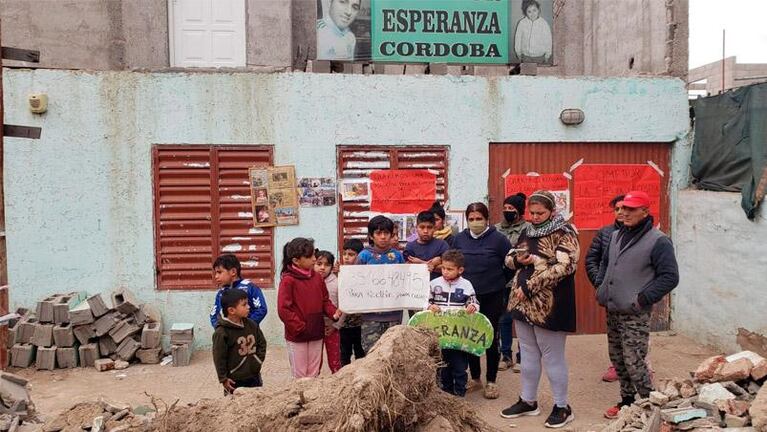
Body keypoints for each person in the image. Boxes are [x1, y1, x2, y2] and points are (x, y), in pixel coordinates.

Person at [501, 190, 580, 429]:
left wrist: (531, 285)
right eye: (532, 213)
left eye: (540, 213)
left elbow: (565, 267)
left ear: (552, 212)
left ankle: (562, 406)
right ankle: (528, 400)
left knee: (552, 356)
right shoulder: (527, 230)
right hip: (523, 301)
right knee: (527, 352)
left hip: (550, 303)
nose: (535, 217)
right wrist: (518, 261)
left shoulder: (565, 232)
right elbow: (509, 257)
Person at [597, 191, 679, 419]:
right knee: (618, 359)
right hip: (613, 309)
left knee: (634, 361)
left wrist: (641, 299)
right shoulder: (616, 236)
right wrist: (602, 287)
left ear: (645, 211)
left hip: (634, 313)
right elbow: (605, 263)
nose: (623, 213)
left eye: (630, 209)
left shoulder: (658, 241)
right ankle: (627, 401)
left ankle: (648, 404)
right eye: (622, 208)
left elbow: (670, 277)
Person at [452, 202, 512, 399]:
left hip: (492, 295)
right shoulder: (458, 239)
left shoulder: (499, 240)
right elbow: (452, 263)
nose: (475, 222)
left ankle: (491, 381)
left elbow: (511, 264)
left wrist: (499, 280)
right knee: (470, 336)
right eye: (471, 219)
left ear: (487, 219)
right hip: (467, 297)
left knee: (490, 337)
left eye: (479, 219)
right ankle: (476, 378)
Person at [277, 238, 342, 379]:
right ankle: (301, 400)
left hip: (316, 333)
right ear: (296, 260)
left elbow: (325, 300)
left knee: (313, 373)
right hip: (297, 336)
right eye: (310, 256)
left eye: (314, 255)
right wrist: (299, 327)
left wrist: (333, 312)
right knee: (300, 374)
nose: (314, 259)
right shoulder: (288, 280)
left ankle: (312, 400)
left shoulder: (317, 278)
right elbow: (283, 309)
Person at [427, 250, 479, 397]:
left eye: (450, 269)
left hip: (459, 334)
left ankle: (460, 394)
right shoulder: (434, 283)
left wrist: (472, 307)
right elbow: (425, 301)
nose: (445, 272)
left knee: (459, 366)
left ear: (460, 270)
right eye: (443, 268)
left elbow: (473, 301)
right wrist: (430, 306)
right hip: (439, 333)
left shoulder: (466, 284)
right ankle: (446, 394)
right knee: (443, 365)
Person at [585, 194, 625, 383]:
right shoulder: (606, 233)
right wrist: (599, 283)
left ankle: (643, 367)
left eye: (625, 208)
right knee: (615, 332)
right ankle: (617, 366)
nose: (621, 212)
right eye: (616, 209)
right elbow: (592, 259)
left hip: (635, 296)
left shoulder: (646, 236)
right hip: (611, 294)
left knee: (638, 333)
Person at [356, 215, 405, 353]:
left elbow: (405, 282)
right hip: (370, 317)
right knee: (372, 354)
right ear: (371, 236)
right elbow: (355, 283)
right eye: (378, 233)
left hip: (394, 315)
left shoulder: (398, 256)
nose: (383, 236)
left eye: (386, 233)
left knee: (392, 353)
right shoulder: (364, 256)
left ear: (391, 235)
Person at [496, 193, 531, 373]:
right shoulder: (496, 229)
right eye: (506, 208)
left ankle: (522, 356)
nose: (508, 212)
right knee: (504, 319)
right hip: (502, 280)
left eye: (512, 209)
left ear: (520, 211)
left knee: (521, 319)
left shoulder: (528, 229)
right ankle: (506, 355)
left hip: (520, 280)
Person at [212, 288, 267, 395]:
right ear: (231, 310)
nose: (249, 307)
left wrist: (257, 361)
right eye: (244, 304)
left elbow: (262, 343)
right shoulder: (222, 332)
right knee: (235, 407)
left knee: (256, 401)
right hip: (234, 379)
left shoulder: (251, 324)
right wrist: (223, 378)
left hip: (253, 375)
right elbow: (219, 358)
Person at [209, 254, 267, 328]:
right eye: (215, 273)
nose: (216, 276)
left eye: (219, 272)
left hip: (249, 336)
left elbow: (261, 309)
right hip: (229, 337)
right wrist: (221, 329)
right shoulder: (221, 293)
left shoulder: (250, 288)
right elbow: (214, 314)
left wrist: (245, 326)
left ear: (233, 272)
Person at [338, 239, 366, 366]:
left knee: (361, 353)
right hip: (344, 324)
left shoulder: (365, 275)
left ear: (359, 256)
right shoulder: (339, 274)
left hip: (361, 323)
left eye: (351, 254)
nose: (346, 258)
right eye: (344, 254)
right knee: (344, 353)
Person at [315, 250, 343, 374]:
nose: (322, 268)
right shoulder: (310, 282)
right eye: (319, 263)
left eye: (326, 265)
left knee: (335, 361)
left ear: (332, 267)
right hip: (314, 328)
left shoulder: (337, 283)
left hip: (332, 328)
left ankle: (337, 385)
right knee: (315, 361)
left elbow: (343, 307)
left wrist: (335, 325)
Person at [405, 211, 450, 281]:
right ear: (416, 228)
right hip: (416, 286)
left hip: (438, 288)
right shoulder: (410, 246)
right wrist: (431, 264)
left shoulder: (442, 245)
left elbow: (449, 268)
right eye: (422, 227)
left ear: (434, 228)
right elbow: (408, 268)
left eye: (429, 227)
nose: (425, 231)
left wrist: (420, 263)